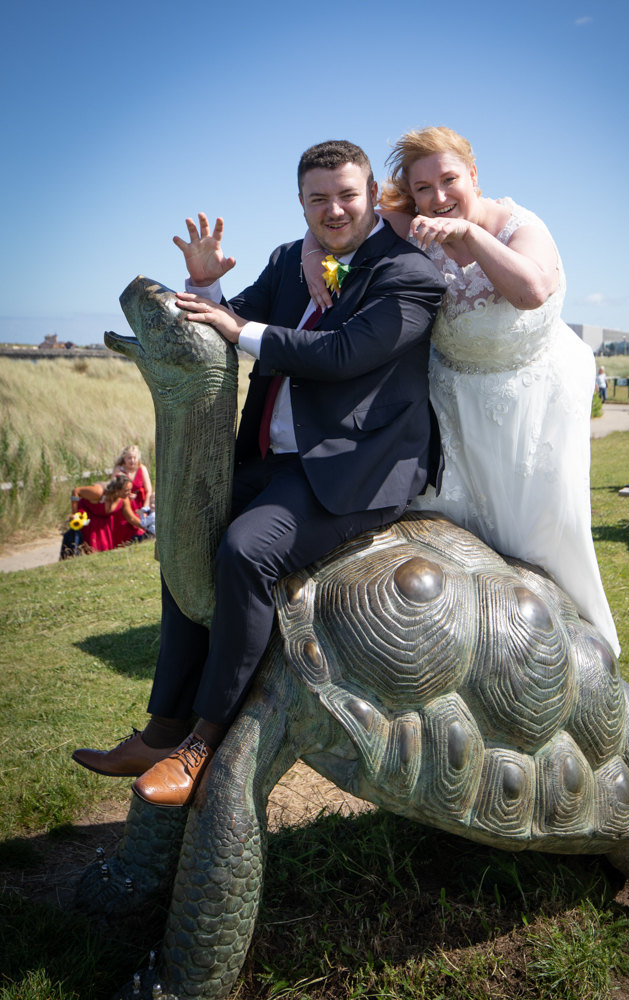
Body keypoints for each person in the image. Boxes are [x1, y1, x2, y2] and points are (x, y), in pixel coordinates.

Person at [72, 140, 446, 806]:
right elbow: (223, 322)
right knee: (184, 531)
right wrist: (207, 285)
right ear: (301, 202)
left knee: (246, 551)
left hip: (354, 470)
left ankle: (203, 743)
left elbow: (340, 354)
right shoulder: (286, 260)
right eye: (318, 198)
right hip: (273, 460)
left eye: (347, 195)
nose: (334, 210)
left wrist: (237, 322)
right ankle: (163, 727)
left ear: (371, 196)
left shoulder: (408, 274)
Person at [303, 126, 619, 655]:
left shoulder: (521, 226)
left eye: (449, 180)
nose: (438, 197)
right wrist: (315, 253)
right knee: (460, 540)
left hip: (532, 400)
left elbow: (531, 292)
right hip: (452, 402)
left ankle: (569, 657)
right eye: (423, 188)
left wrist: (470, 237)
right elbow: (341, 220)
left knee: (539, 538)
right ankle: (479, 650)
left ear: (473, 174)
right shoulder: (412, 222)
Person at [64, 475, 142, 555]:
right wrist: (74, 514)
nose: (130, 493)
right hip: (89, 520)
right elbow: (76, 491)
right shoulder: (98, 492)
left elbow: (131, 518)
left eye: (130, 489)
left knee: (104, 552)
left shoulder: (123, 499)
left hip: (104, 526)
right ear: (116, 489)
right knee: (87, 551)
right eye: (127, 490)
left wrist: (147, 527)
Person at [113, 445, 153, 509]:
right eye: (129, 458)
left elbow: (148, 491)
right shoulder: (118, 469)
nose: (132, 460)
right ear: (124, 458)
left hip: (139, 508)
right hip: (122, 508)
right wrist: (125, 495)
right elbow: (112, 489)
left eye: (135, 458)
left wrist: (145, 509)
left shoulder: (142, 469)